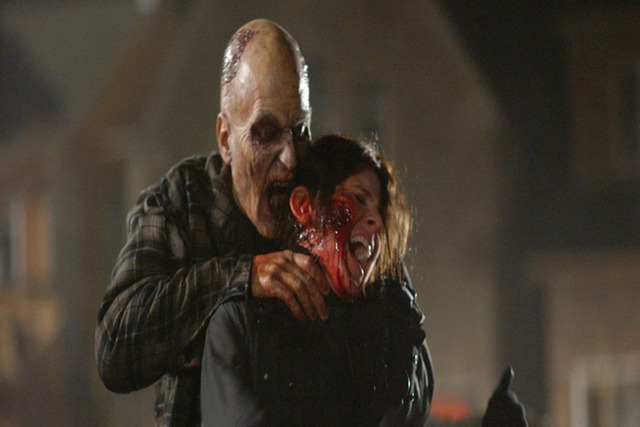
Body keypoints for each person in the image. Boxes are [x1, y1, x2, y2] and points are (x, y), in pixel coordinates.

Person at [95, 20, 334, 426]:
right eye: (266, 133)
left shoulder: (328, 190)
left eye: (300, 131)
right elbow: (115, 346)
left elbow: (407, 345)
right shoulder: (180, 203)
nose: (291, 158)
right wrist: (241, 277)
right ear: (225, 139)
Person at [200, 134, 434, 426]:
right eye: (359, 198)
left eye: (379, 211)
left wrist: (404, 357)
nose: (376, 221)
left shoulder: (386, 330)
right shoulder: (241, 321)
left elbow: (412, 412)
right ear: (304, 206)